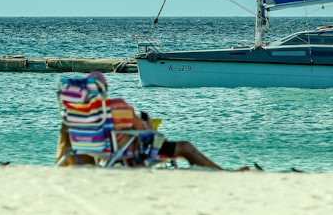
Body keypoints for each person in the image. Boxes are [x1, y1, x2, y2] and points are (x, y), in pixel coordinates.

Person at [56, 72, 246, 170]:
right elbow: (143, 130)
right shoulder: (117, 106)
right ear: (104, 89)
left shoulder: (74, 117)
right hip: (132, 153)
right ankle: (222, 172)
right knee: (185, 147)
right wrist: (147, 123)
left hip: (100, 152)